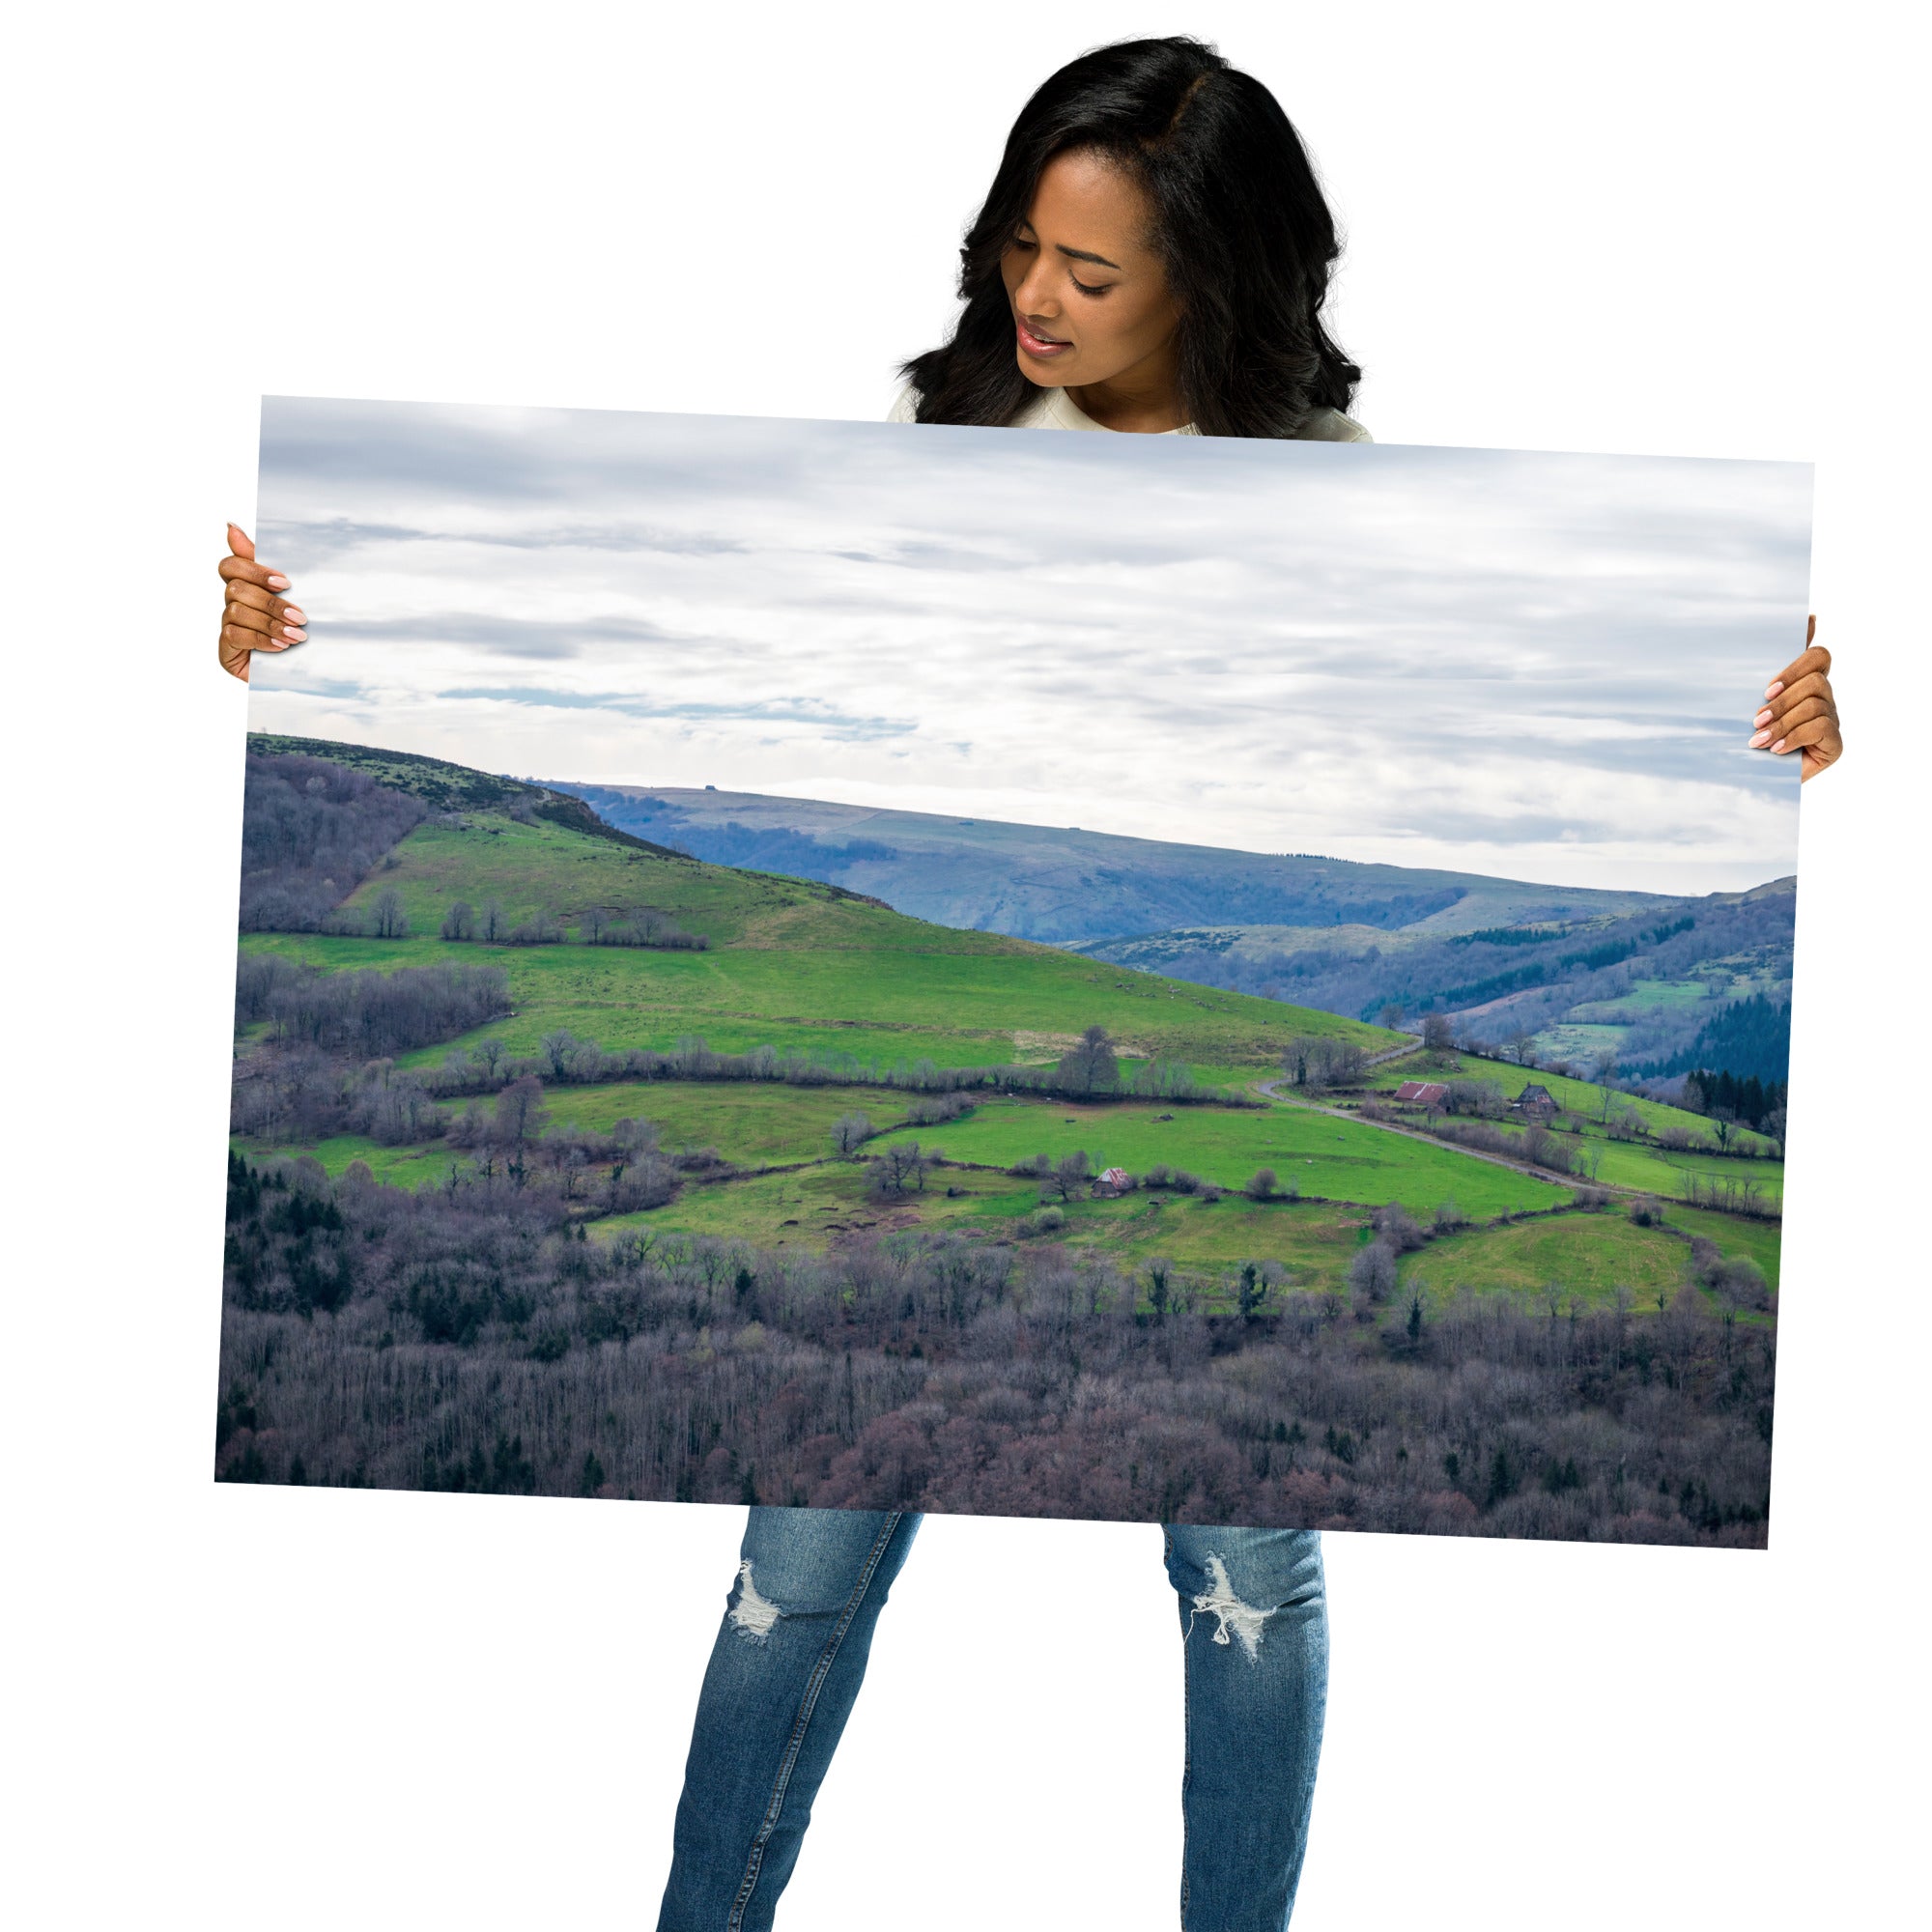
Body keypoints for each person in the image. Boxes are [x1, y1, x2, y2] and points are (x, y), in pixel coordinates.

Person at [212, 38, 1843, 1930]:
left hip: (1181, 1098)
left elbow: (1582, 697)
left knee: (1248, 1579)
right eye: (1018, 251)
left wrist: (1782, 731)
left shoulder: (1348, 496)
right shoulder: (946, 455)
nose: (1036, 301)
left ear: (1214, 279)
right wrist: (295, 634)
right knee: (793, 1566)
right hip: (926, 1137)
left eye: (1092, 271)